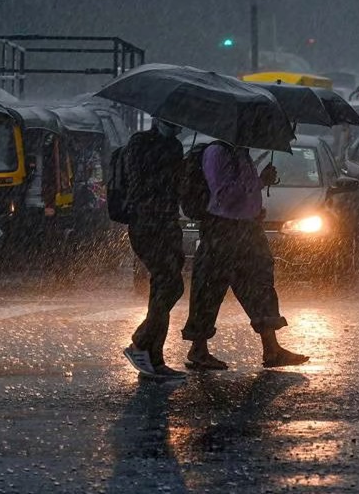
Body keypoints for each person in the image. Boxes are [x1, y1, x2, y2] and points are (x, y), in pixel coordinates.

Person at [182, 142, 308, 370]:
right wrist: (259, 182)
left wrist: (254, 205)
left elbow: (242, 195)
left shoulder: (242, 154)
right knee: (210, 289)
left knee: (259, 286)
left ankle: (272, 349)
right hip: (223, 230)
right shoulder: (218, 153)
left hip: (248, 228)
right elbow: (223, 195)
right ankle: (198, 349)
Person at [121, 119, 188, 380]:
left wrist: (182, 174)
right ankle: (140, 342)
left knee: (162, 288)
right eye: (171, 122)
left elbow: (176, 189)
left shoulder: (175, 146)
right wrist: (170, 172)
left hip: (169, 223)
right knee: (171, 285)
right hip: (146, 223)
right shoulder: (139, 142)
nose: (176, 127)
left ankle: (155, 358)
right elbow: (139, 182)